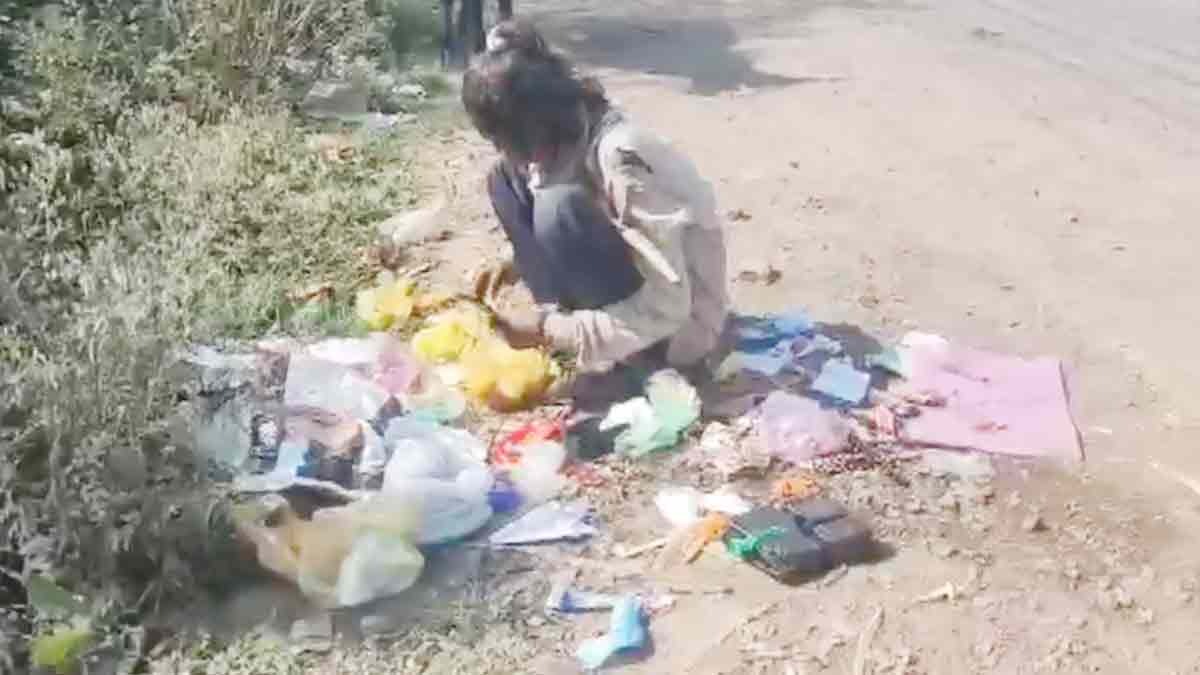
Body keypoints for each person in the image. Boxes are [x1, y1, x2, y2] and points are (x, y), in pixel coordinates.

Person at [462, 20, 729, 408]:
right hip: (629, 295)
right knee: (504, 180)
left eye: (507, 140)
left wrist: (548, 330)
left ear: (534, 125)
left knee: (557, 209)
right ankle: (574, 330)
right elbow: (601, 221)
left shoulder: (624, 157)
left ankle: (636, 363)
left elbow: (669, 306)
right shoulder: (566, 129)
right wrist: (516, 260)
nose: (506, 151)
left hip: (678, 326)